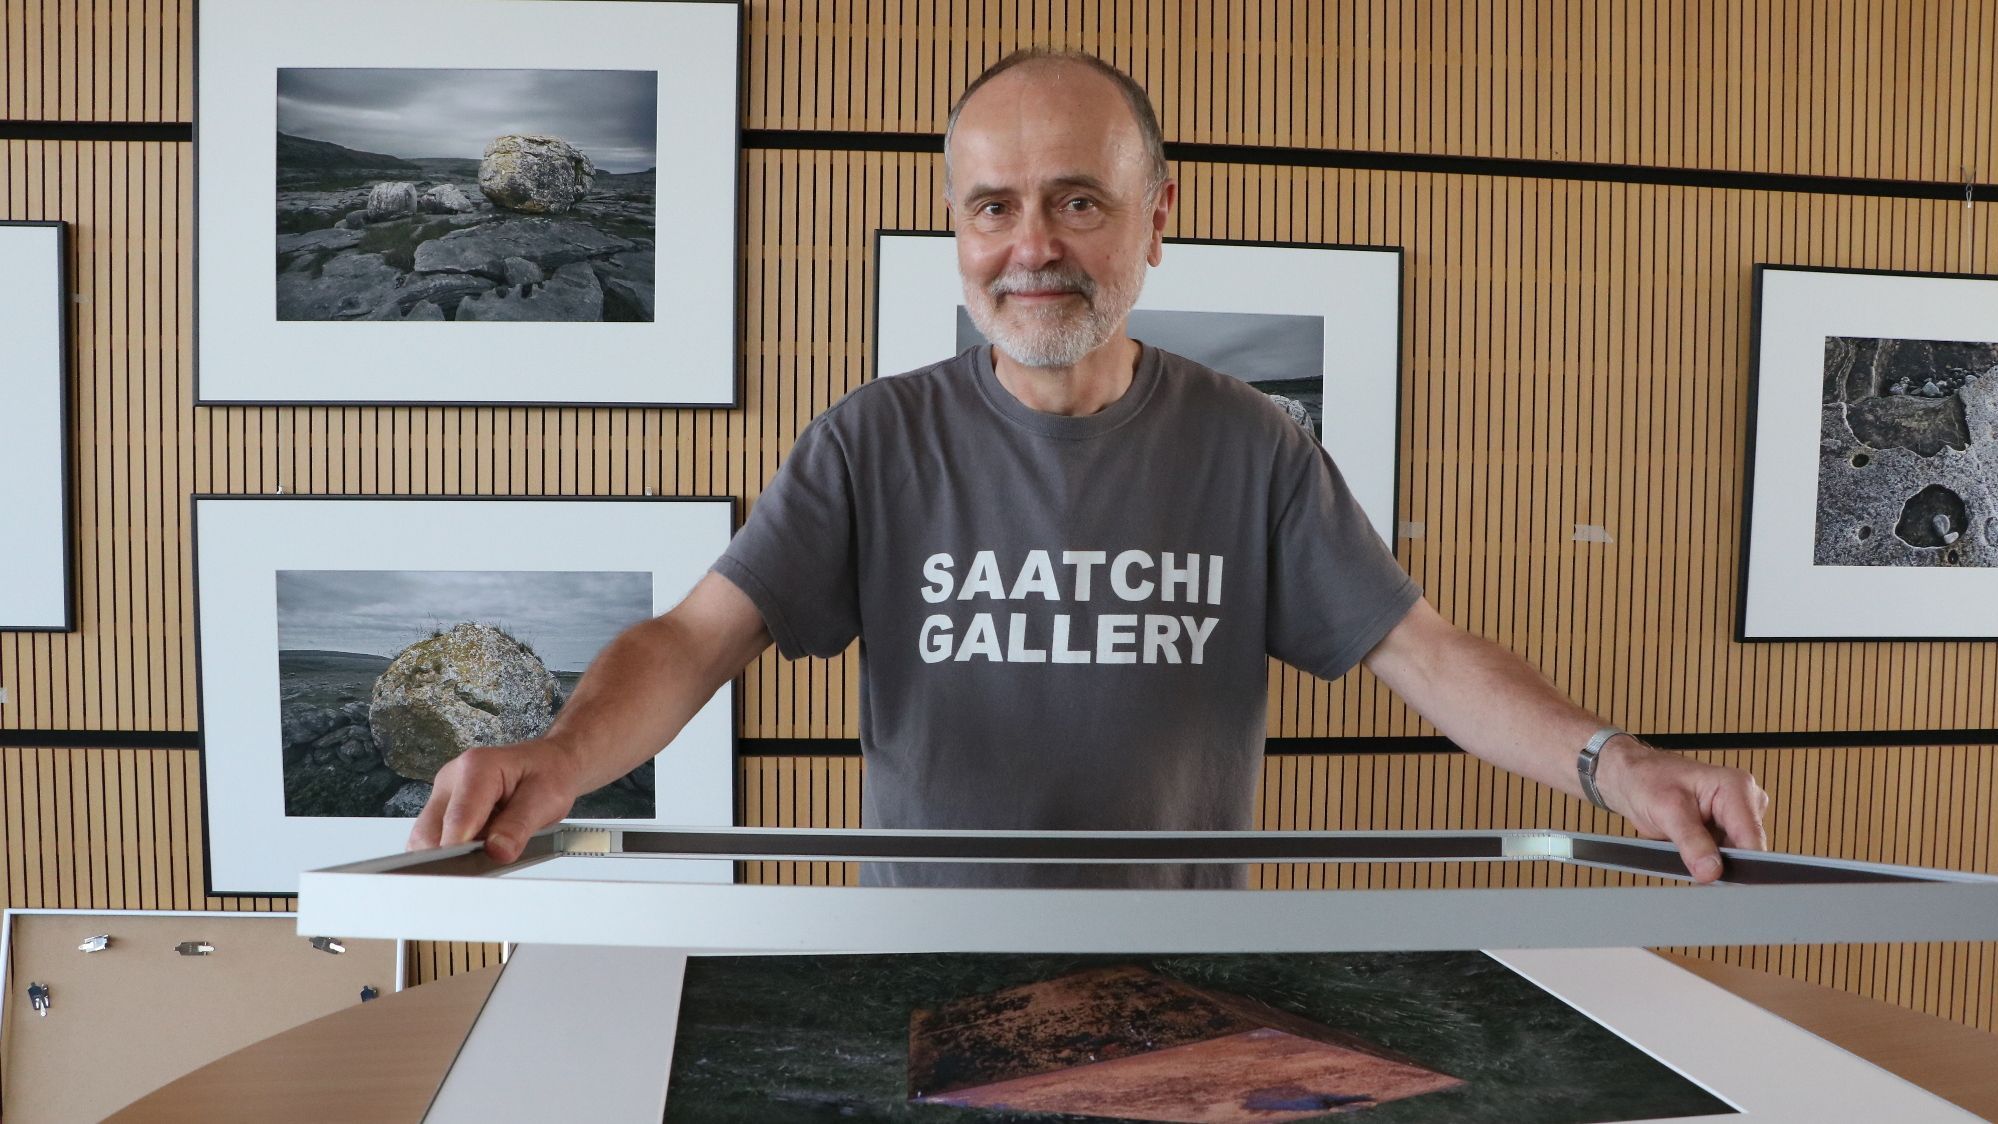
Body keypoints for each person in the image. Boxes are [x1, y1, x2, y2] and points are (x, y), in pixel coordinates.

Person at [408, 50, 1769, 887]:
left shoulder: (1254, 444)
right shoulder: (871, 439)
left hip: (1177, 994)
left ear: (1154, 219)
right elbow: (693, 640)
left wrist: (1616, 766)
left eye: (1077, 198)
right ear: (956, 227)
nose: (1032, 245)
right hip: (918, 987)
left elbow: (1425, 653)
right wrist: (562, 756)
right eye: (993, 206)